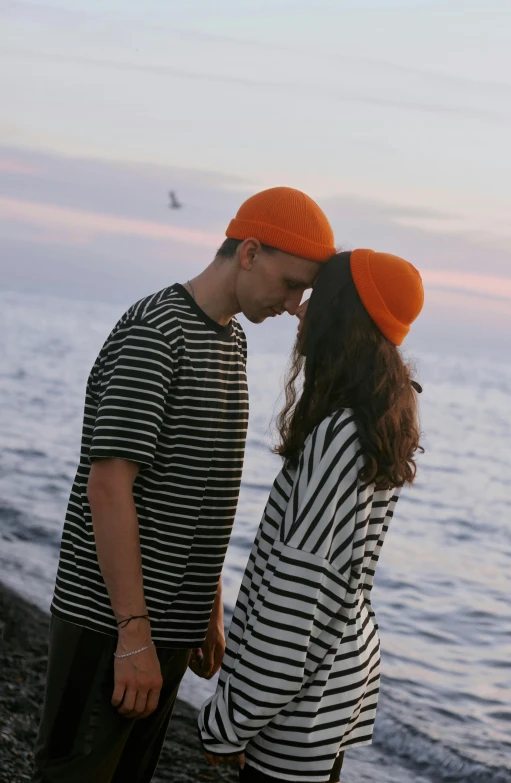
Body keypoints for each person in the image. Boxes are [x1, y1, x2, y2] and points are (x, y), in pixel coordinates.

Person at [32, 187, 336, 783]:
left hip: (168, 625)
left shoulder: (233, 341)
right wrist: (133, 635)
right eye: (291, 283)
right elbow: (110, 485)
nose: (294, 304)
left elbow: (201, 486)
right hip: (109, 623)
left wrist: (207, 606)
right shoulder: (157, 331)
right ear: (248, 252)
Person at [198, 249, 425, 783]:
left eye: (316, 299)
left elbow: (297, 599)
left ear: (343, 317)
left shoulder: (339, 435)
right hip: (331, 683)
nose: (300, 310)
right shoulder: (382, 412)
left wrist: (230, 722)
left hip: (299, 703)